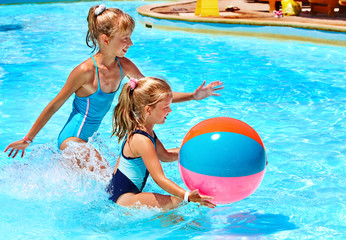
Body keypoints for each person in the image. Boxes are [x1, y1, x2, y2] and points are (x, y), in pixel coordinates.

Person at [4, 5, 223, 169]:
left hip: (87, 141)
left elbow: (153, 95)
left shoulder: (124, 65)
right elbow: (54, 105)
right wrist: (27, 139)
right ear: (105, 39)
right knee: (110, 181)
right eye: (125, 39)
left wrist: (193, 96)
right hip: (71, 141)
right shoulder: (85, 72)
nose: (131, 44)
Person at [106, 77, 216, 210]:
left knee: (179, 203)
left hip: (119, 192)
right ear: (148, 110)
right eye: (165, 107)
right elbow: (159, 178)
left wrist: (193, 151)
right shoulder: (142, 140)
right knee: (178, 204)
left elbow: (165, 156)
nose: (170, 111)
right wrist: (187, 196)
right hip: (124, 198)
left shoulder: (146, 131)